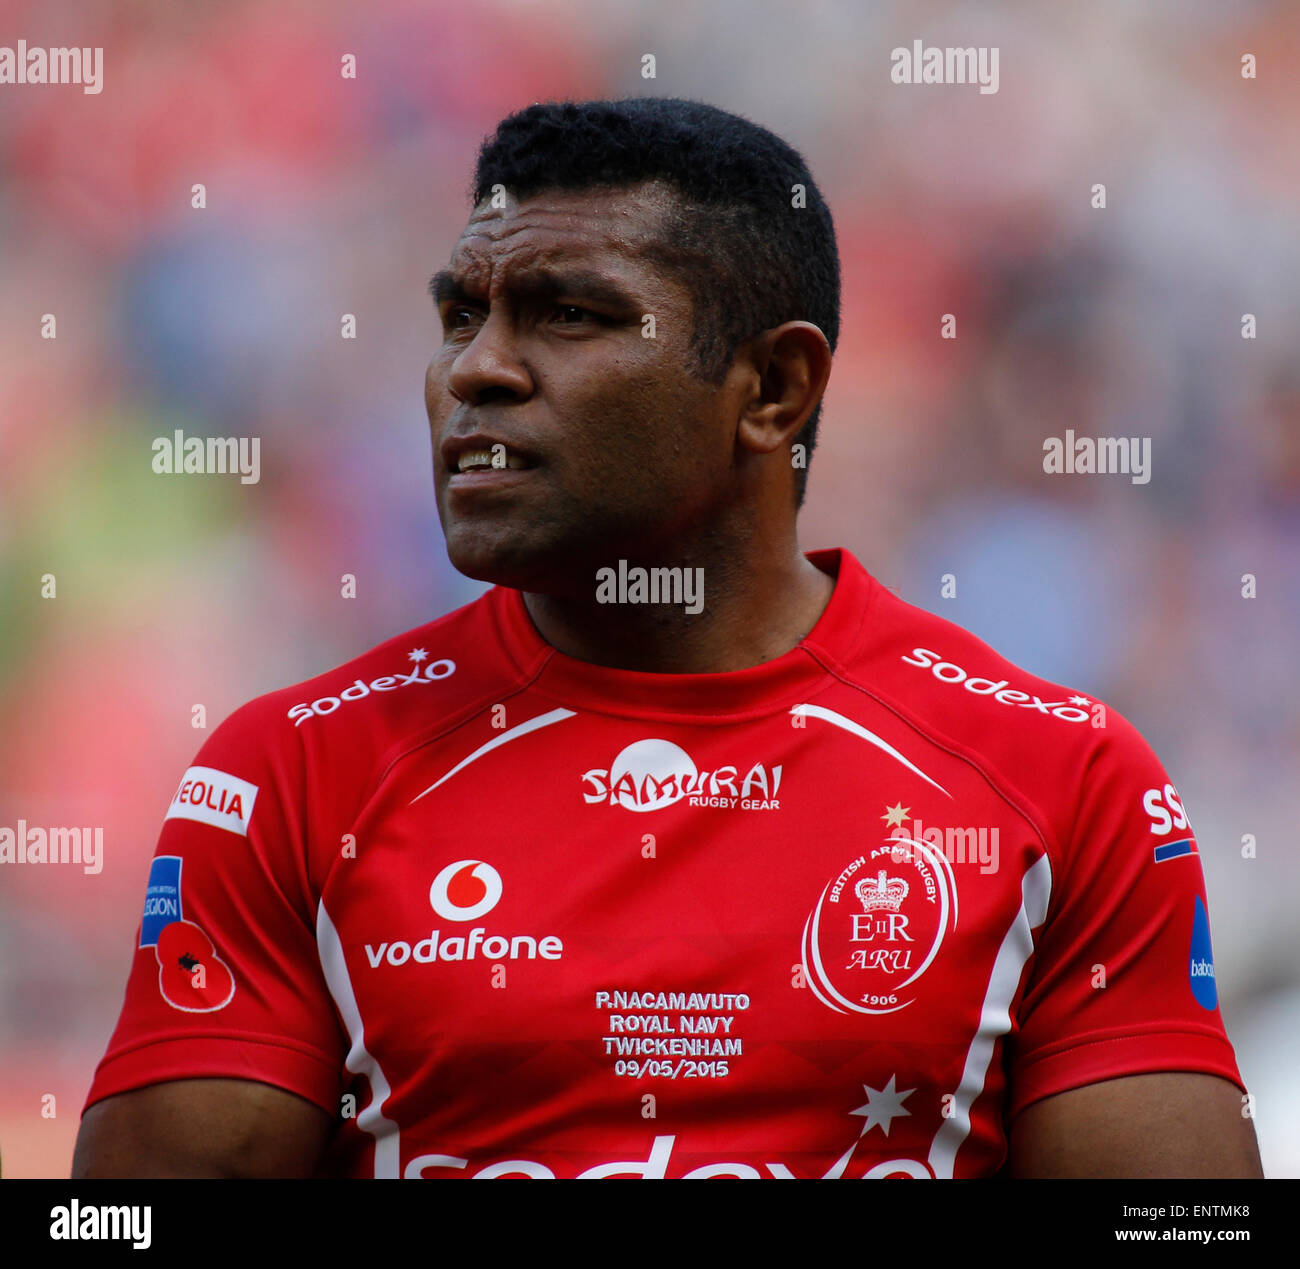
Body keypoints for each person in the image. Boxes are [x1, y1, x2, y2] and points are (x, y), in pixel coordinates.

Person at [73, 98, 1262, 1179]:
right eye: (459, 316)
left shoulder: (1063, 780)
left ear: (773, 391)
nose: (474, 372)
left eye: (570, 314)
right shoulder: (287, 773)